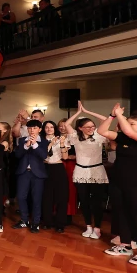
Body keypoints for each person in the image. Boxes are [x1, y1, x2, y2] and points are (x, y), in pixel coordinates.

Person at [97, 105, 137, 265]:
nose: (127, 126)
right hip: (119, 183)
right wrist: (111, 115)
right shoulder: (123, 138)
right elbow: (102, 131)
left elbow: (129, 131)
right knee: (122, 216)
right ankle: (125, 245)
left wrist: (120, 116)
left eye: (132, 123)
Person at [64, 102, 109, 239]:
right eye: (87, 126)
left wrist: (88, 112)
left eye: (92, 126)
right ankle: (88, 226)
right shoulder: (75, 137)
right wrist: (78, 112)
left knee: (97, 201)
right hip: (81, 171)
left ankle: (98, 228)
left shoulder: (99, 135)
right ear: (80, 128)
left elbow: (105, 120)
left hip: (97, 170)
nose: (91, 128)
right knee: (83, 201)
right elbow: (67, 125)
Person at [12, 119, 48, 232]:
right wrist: (27, 145)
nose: (32, 130)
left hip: (38, 174)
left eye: (35, 128)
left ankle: (36, 222)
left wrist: (35, 144)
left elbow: (43, 156)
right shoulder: (22, 140)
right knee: (21, 197)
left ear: (40, 129)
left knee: (36, 198)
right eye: (30, 128)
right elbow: (17, 155)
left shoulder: (43, 141)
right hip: (23, 172)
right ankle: (24, 220)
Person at [41, 121, 69, 233]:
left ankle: (60, 223)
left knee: (61, 196)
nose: (49, 129)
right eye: (46, 127)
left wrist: (61, 144)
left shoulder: (62, 138)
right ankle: (47, 222)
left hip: (58, 167)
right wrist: (50, 144)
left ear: (55, 128)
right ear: (43, 129)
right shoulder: (40, 140)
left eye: (51, 127)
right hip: (45, 167)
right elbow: (42, 156)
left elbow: (65, 157)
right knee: (46, 196)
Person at [58, 119, 78, 223]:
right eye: (60, 126)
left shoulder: (74, 138)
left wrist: (70, 157)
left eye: (64, 126)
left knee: (70, 190)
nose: (62, 128)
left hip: (70, 166)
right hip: (57, 165)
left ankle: (68, 214)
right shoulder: (55, 138)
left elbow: (80, 153)